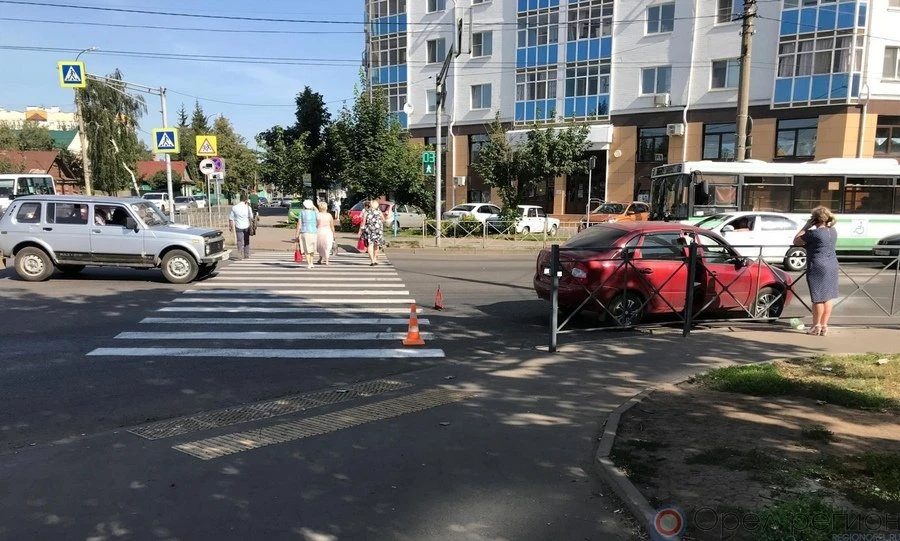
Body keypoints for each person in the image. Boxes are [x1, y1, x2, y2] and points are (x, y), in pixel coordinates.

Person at [793, 206, 839, 336]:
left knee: (818, 298)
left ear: (814, 219)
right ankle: (824, 325)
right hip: (832, 265)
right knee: (828, 297)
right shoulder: (833, 231)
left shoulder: (813, 234)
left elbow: (796, 241)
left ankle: (816, 325)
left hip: (818, 266)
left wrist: (806, 226)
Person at [359, 198, 386, 266]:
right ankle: (375, 258)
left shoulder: (366, 212)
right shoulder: (379, 212)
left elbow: (363, 222)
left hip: (369, 230)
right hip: (378, 230)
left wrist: (361, 230)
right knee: (377, 245)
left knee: (370, 245)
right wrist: (378, 221)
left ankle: (372, 261)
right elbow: (383, 220)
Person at [228, 194, 253, 259]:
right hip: (246, 226)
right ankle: (246, 255)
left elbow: (231, 218)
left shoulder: (234, 207)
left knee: (239, 241)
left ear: (240, 199)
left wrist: (230, 226)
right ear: (246, 200)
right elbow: (251, 217)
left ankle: (240, 254)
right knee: (246, 240)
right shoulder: (248, 208)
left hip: (238, 226)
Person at [296, 199, 318, 269]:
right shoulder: (314, 213)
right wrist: (313, 206)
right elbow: (317, 212)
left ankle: (309, 263)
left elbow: (299, 224)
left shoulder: (302, 213)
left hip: (305, 232)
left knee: (306, 249)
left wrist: (296, 235)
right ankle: (311, 262)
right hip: (314, 232)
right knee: (312, 248)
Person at [316, 201, 336, 265]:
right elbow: (332, 226)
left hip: (319, 231)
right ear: (326, 207)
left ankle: (320, 259)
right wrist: (334, 234)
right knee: (327, 246)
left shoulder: (318, 215)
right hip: (328, 232)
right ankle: (327, 260)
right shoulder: (329, 215)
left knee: (320, 246)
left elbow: (316, 224)